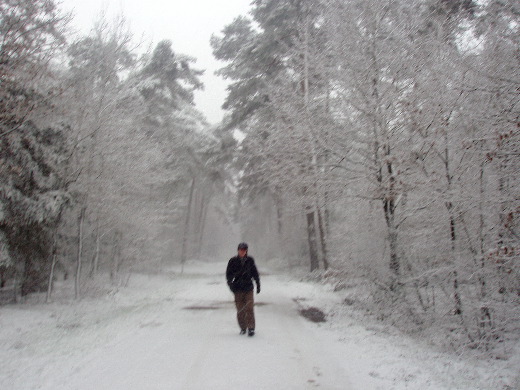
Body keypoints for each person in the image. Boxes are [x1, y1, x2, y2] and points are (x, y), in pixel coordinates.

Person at [226, 242, 260, 336]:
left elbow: (255, 273)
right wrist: (231, 285)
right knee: (240, 310)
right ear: (238, 250)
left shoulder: (250, 260)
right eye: (241, 250)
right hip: (237, 289)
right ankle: (243, 327)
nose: (242, 251)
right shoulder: (233, 261)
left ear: (246, 251)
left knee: (249, 308)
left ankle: (251, 328)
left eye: (244, 250)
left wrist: (258, 284)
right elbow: (228, 275)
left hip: (248, 288)